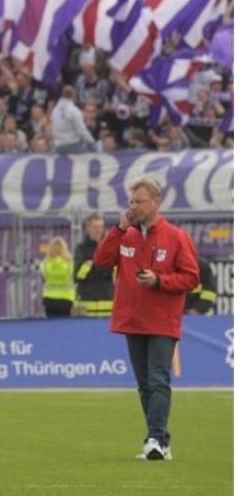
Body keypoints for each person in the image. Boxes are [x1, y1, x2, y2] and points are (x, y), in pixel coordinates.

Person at [93, 178, 199, 461]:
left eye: (140, 201)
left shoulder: (176, 237)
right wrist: (117, 229)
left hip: (162, 321)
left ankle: (153, 438)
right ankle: (160, 440)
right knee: (144, 384)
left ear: (155, 202)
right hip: (132, 320)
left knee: (158, 379)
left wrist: (159, 281)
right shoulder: (124, 235)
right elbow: (101, 260)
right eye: (132, 202)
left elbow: (191, 277)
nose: (134, 206)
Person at [74, 214, 115, 318]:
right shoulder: (81, 248)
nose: (99, 230)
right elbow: (77, 276)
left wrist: (92, 266)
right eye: (95, 227)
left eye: (101, 227)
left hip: (108, 299)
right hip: (87, 300)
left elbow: (113, 271)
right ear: (88, 228)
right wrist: (102, 269)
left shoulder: (110, 246)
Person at [51, 86, 94, 154]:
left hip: (58, 146)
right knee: (90, 154)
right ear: (73, 96)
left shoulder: (55, 110)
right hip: (73, 146)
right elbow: (81, 129)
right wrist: (91, 141)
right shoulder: (74, 110)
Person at [39, 237, 75, 318]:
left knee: (51, 326)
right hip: (66, 299)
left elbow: (43, 279)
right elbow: (74, 278)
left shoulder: (44, 264)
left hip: (49, 299)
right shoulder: (70, 264)